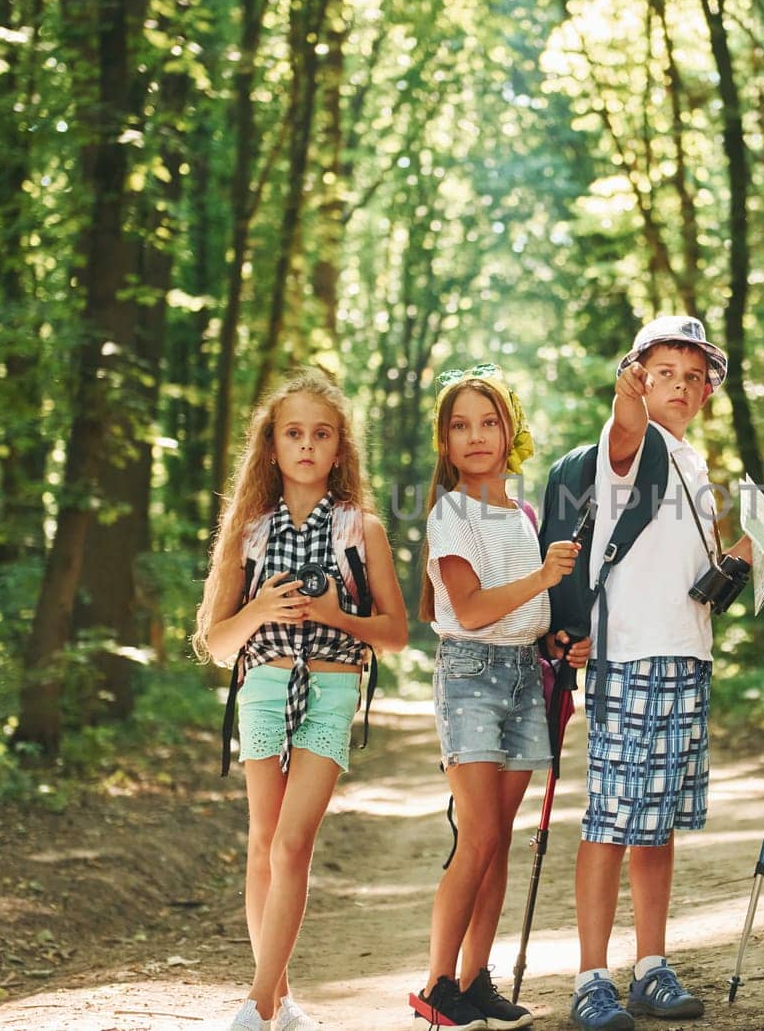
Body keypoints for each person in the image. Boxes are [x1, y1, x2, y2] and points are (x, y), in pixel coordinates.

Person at [194, 367, 409, 1031]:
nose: (308, 445)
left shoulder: (360, 529)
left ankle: (256, 1005)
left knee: (292, 844)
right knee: (262, 843)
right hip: (262, 685)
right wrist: (260, 606)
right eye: (294, 433)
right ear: (273, 446)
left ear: (339, 449)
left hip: (331, 687)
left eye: (321, 434)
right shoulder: (249, 532)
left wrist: (339, 613)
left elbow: (396, 634)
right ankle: (281, 1002)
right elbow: (215, 641)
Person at [570, 317, 751, 1031]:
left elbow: (693, 573)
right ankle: (591, 976)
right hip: (630, 656)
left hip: (686, 654)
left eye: (693, 376)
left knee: (658, 821)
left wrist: (748, 548)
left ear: (708, 390)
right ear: (638, 378)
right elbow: (623, 424)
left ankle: (651, 964)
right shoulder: (631, 446)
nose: (679, 385)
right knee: (611, 819)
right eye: (663, 372)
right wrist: (630, 395)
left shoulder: (693, 464)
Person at [409, 365, 584, 1031]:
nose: (476, 435)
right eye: (461, 425)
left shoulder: (525, 514)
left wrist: (560, 637)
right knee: (476, 834)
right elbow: (473, 608)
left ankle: (475, 979)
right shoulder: (452, 511)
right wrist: (543, 575)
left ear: (509, 431)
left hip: (523, 675)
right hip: (471, 675)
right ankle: (436, 983)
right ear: (446, 443)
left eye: (488, 422)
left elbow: (525, 610)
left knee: (499, 840)